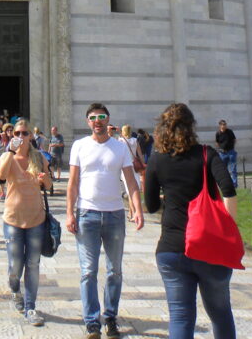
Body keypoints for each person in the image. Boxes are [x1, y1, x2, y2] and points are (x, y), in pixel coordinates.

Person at [144, 102, 238, 339]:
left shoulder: (157, 160)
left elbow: (152, 205)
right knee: (220, 313)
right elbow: (228, 189)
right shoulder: (207, 154)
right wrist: (229, 228)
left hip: (171, 249)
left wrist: (171, 200)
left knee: (180, 316)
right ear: (191, 127)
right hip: (210, 247)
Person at [67, 102, 143, 339]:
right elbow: (72, 182)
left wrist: (137, 208)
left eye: (101, 117)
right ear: (87, 122)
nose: (97, 121)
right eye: (93, 117)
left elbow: (130, 181)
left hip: (114, 215)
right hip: (87, 214)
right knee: (88, 271)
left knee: (114, 271)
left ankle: (110, 317)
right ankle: (92, 322)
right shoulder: (79, 146)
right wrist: (70, 212)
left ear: (108, 120)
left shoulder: (119, 148)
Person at [0, 117, 52, 327]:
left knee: (33, 264)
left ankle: (31, 307)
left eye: (24, 133)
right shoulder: (7, 157)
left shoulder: (38, 157)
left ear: (31, 135)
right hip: (12, 219)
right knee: (15, 266)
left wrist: (43, 180)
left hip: (36, 218)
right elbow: (1, 176)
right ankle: (14, 289)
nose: (20, 137)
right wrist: (10, 152)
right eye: (17, 133)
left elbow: (48, 183)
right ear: (12, 135)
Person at [214, 120, 237, 188]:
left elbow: (234, 140)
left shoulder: (230, 131)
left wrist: (232, 148)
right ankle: (225, 183)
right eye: (223, 124)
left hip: (231, 152)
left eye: (225, 124)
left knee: (233, 169)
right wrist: (220, 149)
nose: (224, 126)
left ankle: (234, 184)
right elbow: (217, 142)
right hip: (222, 153)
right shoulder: (218, 133)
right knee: (223, 169)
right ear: (220, 125)